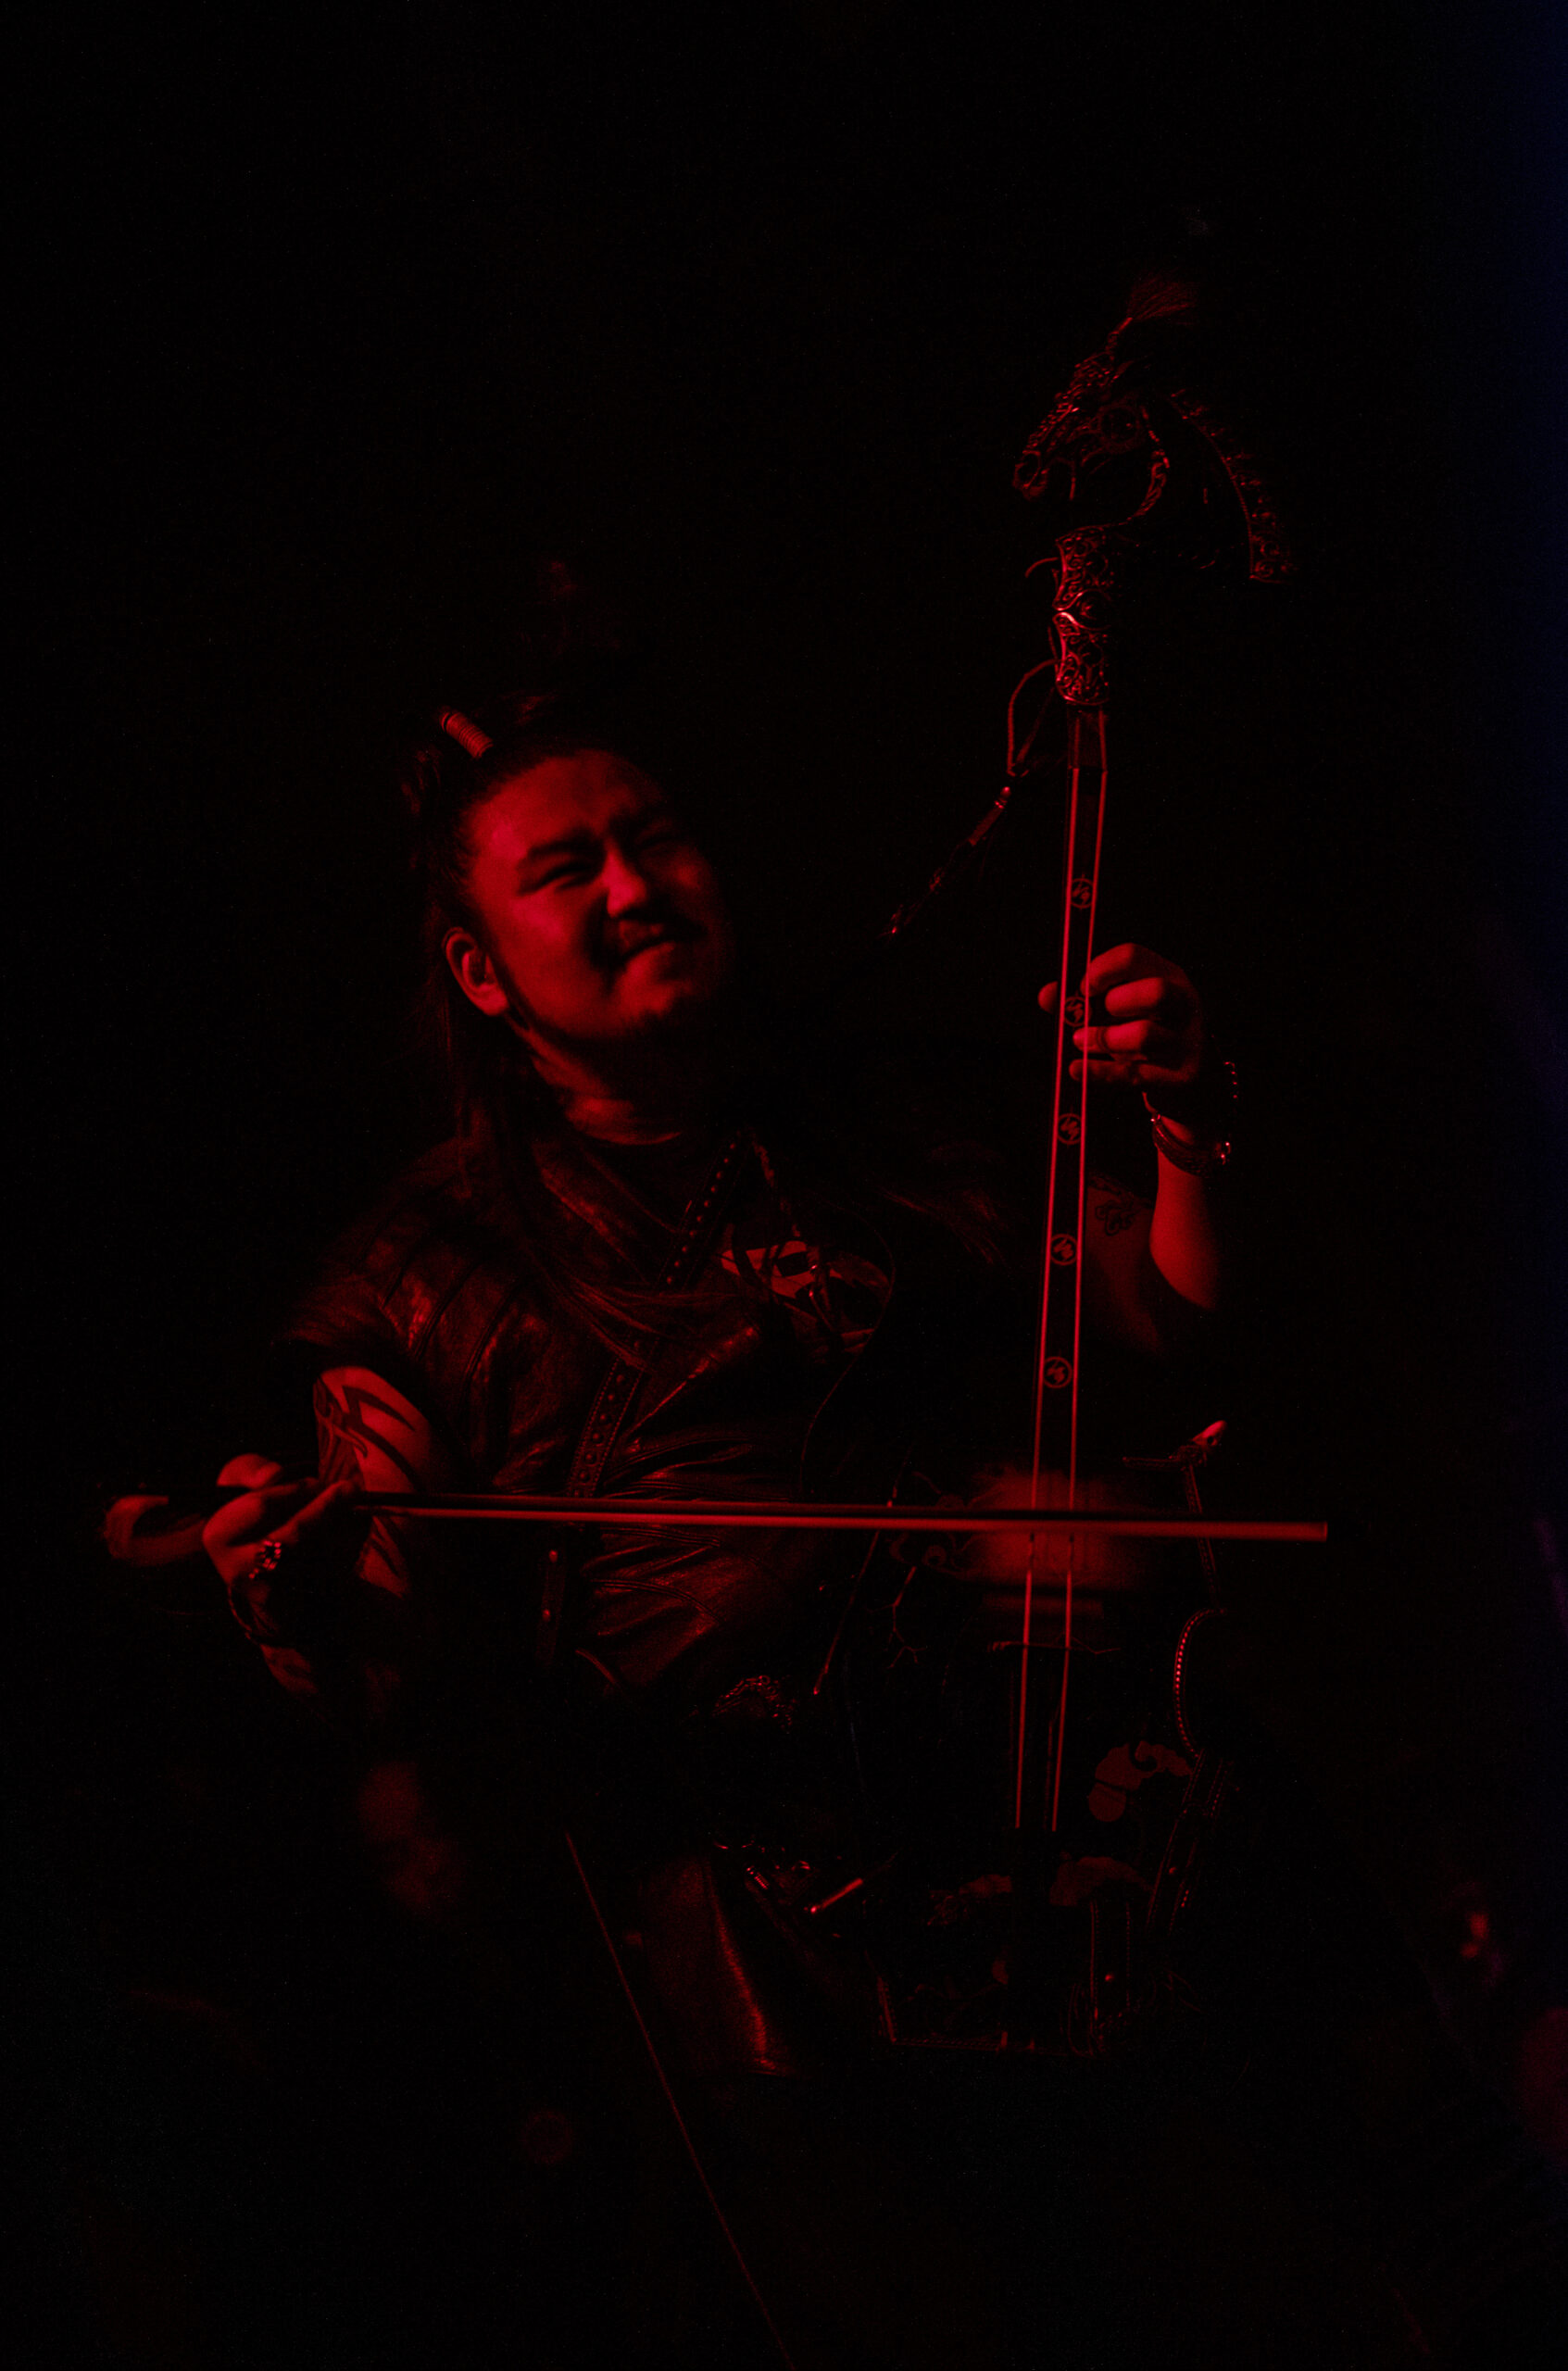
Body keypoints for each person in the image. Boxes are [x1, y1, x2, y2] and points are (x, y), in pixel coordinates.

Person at [199, 670, 1244, 2368]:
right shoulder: (424, 1271)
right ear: (479, 969)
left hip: (1106, 1869)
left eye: (655, 838)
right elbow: (368, 1636)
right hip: (799, 1992)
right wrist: (287, 1587)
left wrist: (1188, 1116)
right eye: (568, 870)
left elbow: (1161, 1323)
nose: (633, 886)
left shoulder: (883, 1113)